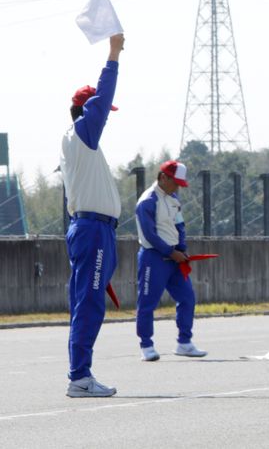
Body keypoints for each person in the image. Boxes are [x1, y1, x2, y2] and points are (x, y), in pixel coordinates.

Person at [60, 33, 125, 397]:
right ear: (87, 111)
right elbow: (102, 99)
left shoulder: (80, 141)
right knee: (89, 302)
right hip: (92, 230)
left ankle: (79, 374)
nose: (105, 119)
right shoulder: (83, 132)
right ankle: (79, 377)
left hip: (91, 229)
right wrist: (113, 54)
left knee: (86, 300)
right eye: (100, 113)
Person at [135, 160, 207, 361]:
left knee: (187, 298)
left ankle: (184, 343)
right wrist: (169, 251)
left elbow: (180, 225)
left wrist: (181, 249)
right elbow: (149, 234)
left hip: (175, 258)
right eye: (174, 182)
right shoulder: (147, 201)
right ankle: (146, 345)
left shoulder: (173, 198)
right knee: (148, 302)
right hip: (153, 258)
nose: (177, 187)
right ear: (163, 177)